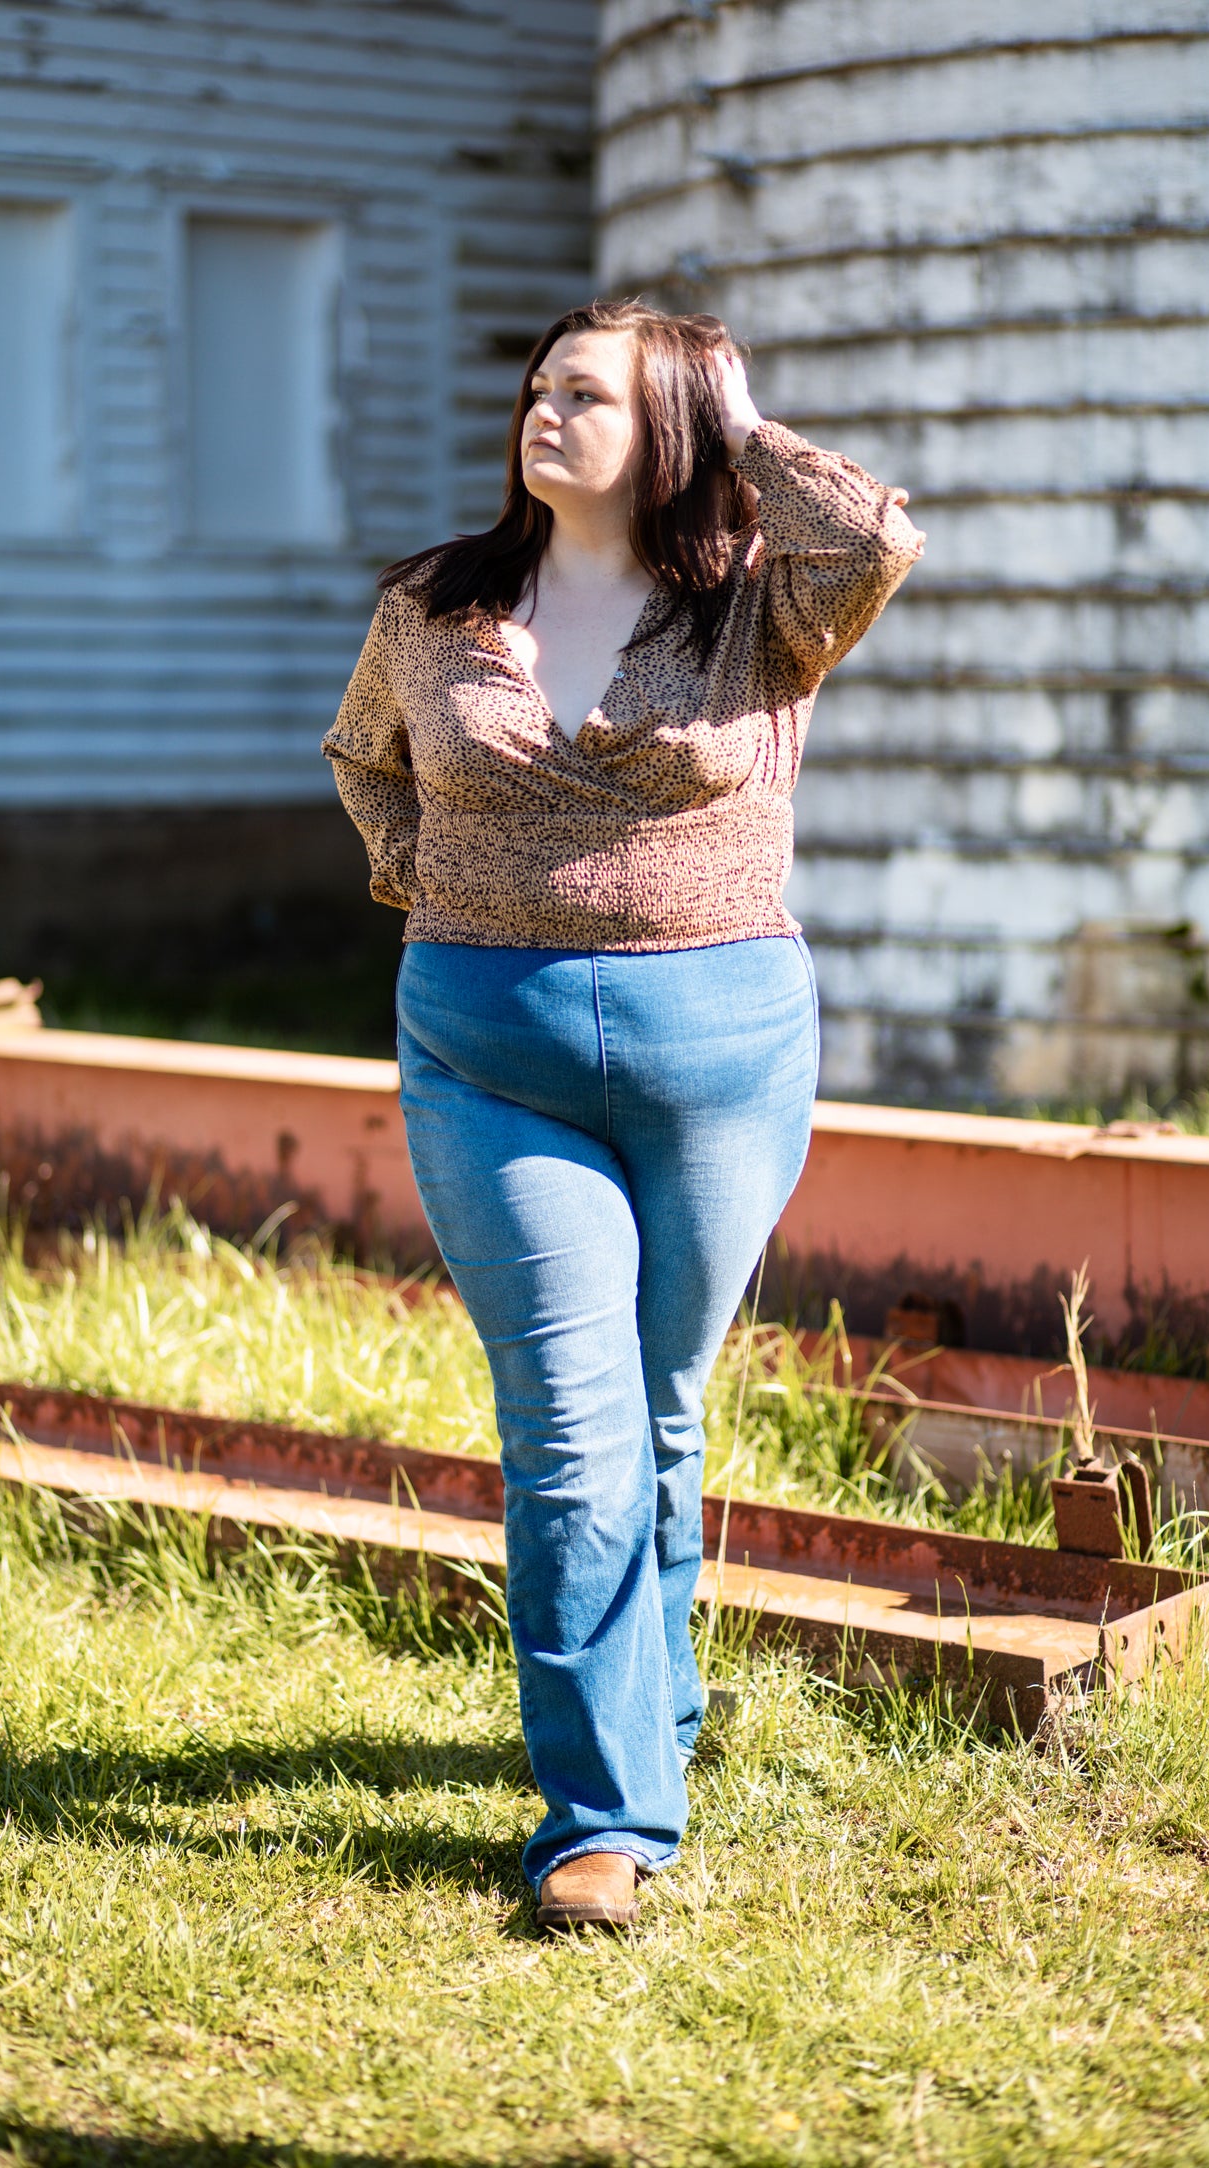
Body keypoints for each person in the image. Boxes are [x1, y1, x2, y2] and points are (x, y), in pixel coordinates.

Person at [324, 299, 923, 1930]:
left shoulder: (758, 611)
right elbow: (365, 762)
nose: (543, 410)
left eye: (588, 394)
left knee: (661, 1411)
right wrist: (447, 891)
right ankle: (604, 1817)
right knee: (574, 1441)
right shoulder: (433, 606)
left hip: (723, 1056)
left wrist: (725, 421)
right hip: (486, 1053)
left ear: (669, 424)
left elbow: (874, 535)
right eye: (536, 384)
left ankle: (651, 1707)